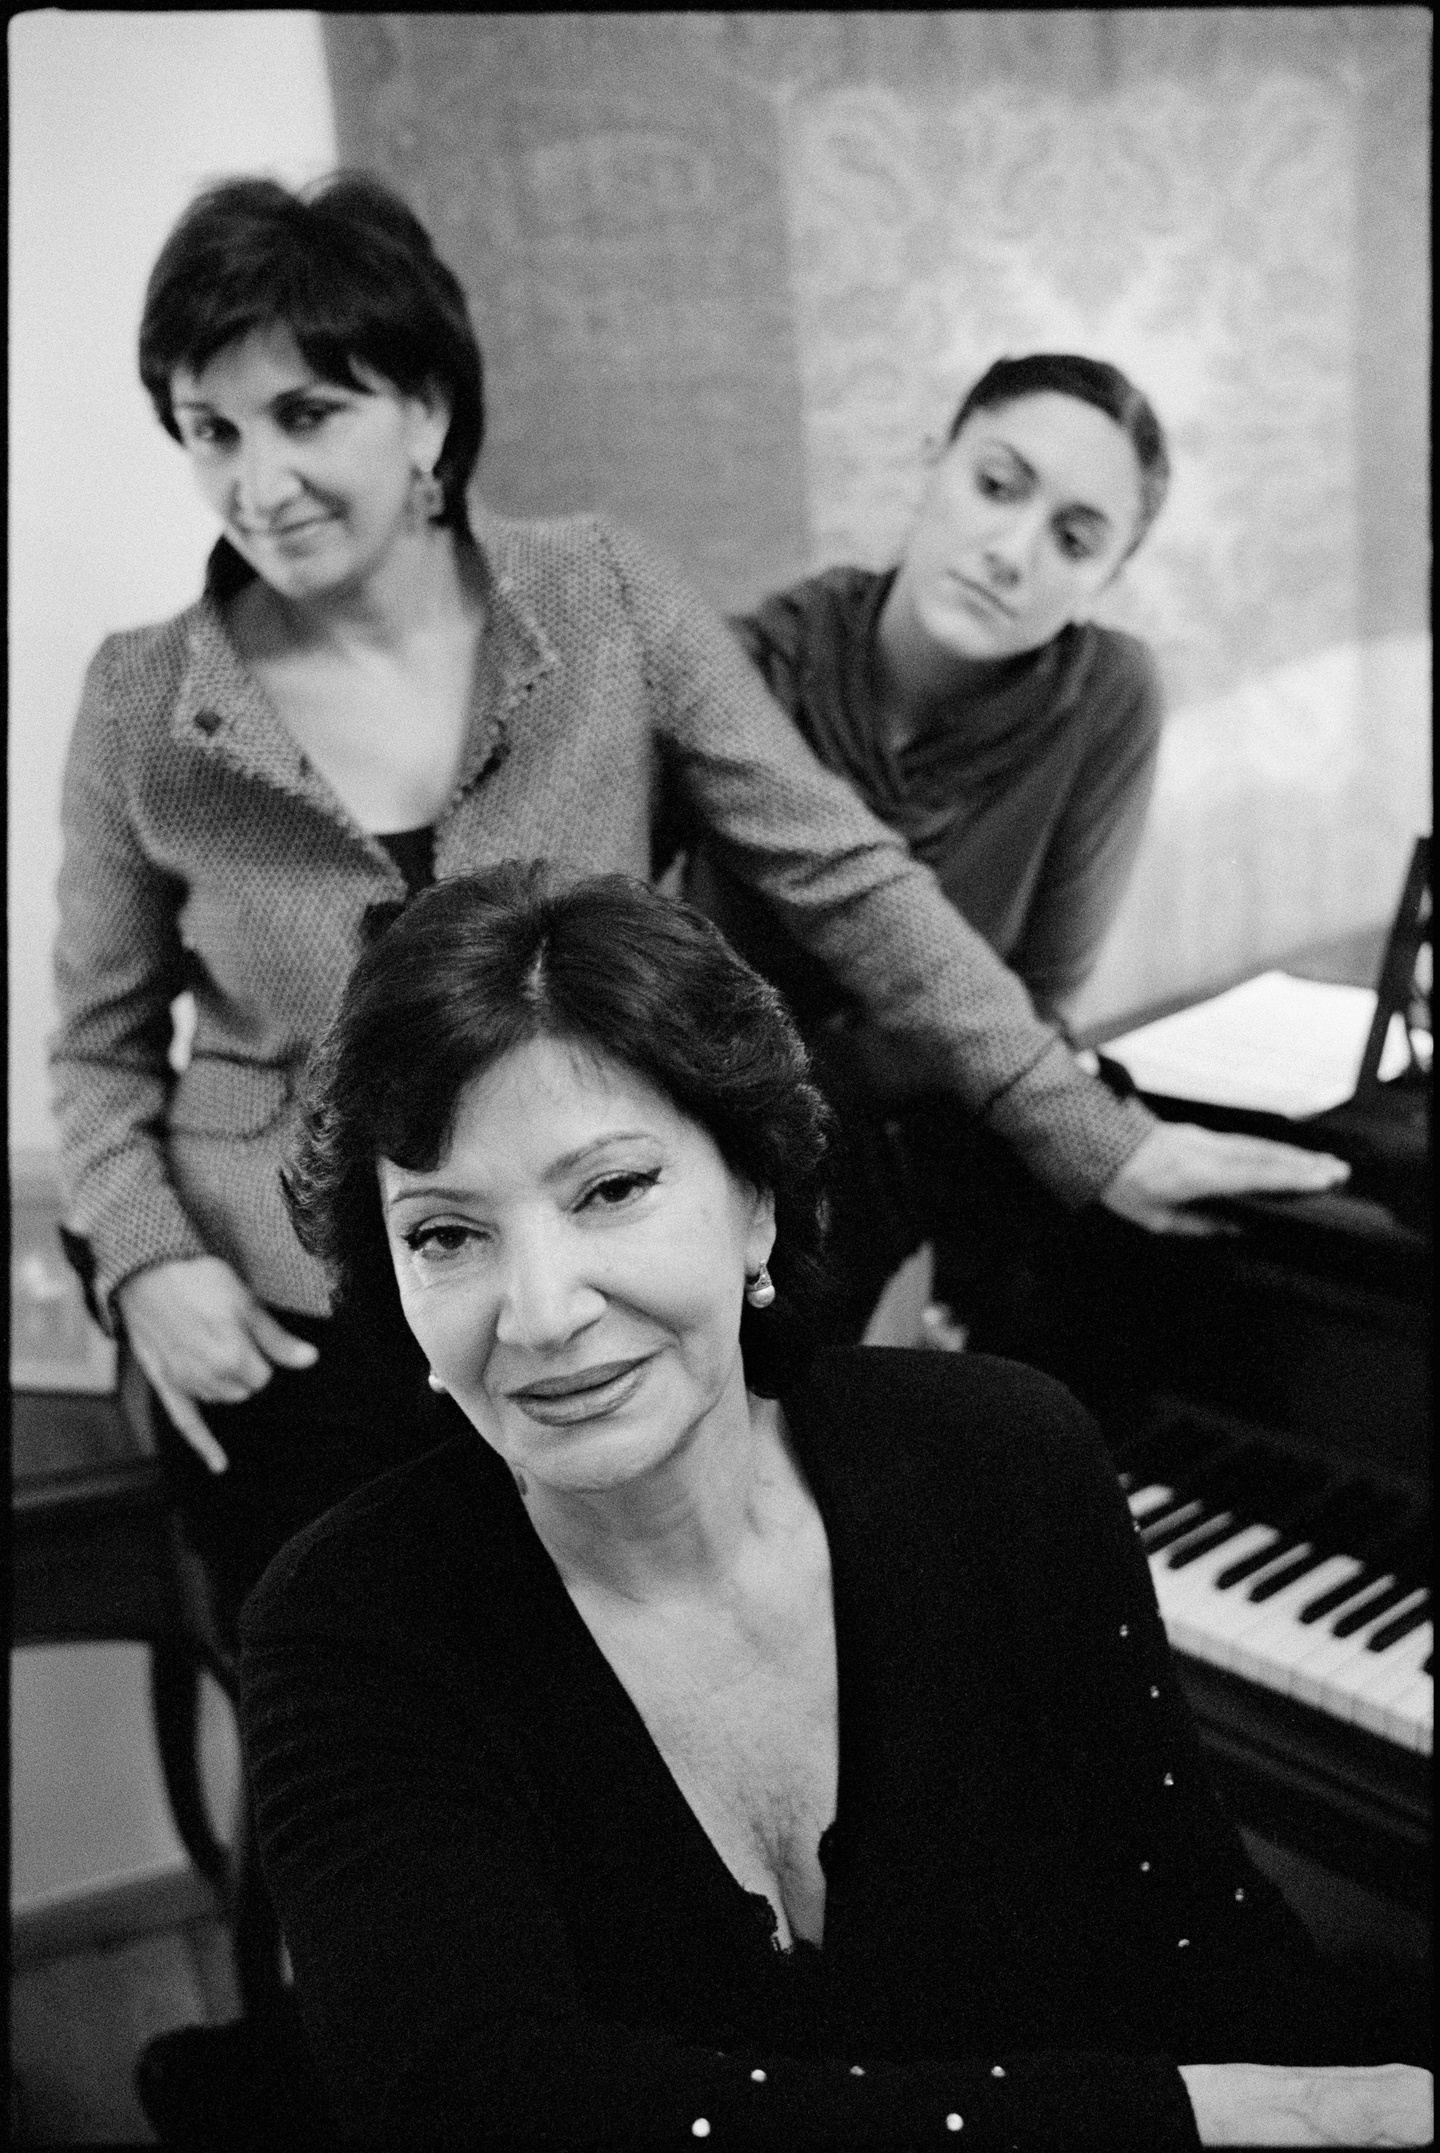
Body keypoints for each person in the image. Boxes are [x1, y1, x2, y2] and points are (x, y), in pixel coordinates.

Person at [50, 177, 1347, 1619]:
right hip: (284, 1324)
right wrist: (147, 1261)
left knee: (655, 1692)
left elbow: (843, 869)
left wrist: (1098, 1140)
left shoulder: (601, 593)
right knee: (350, 1712)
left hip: (594, 1294)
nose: (257, 480)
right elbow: (97, 1049)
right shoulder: (140, 695)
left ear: (425, 409)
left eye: (305, 415)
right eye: (210, 430)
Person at [237, 864, 1431, 2149]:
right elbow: (478, 2103)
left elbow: (1205, 1931)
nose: (539, 1312)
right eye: (445, 1234)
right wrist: (1173, 2113)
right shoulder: (347, 1622)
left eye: (612, 1188)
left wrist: (1340, 2106)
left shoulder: (1006, 1459)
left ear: (755, 1198)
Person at [680, 355, 1228, 1338]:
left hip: (938, 1141)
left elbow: (1039, 996)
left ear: (1106, 580)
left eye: (1074, 539)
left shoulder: (1107, 695)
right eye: (997, 486)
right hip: (722, 1141)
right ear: (931, 462)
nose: (1012, 553)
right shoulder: (748, 666)